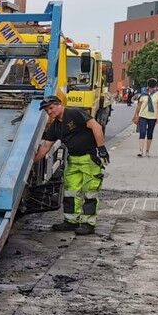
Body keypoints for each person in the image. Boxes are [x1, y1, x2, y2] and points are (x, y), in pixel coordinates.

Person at [34, 94, 109, 236]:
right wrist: (33, 161)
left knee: (90, 193)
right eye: (47, 110)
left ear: (59, 104)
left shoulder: (74, 113)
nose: (49, 112)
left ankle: (88, 224)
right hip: (73, 160)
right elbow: (45, 146)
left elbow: (96, 126)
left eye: (51, 108)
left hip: (88, 159)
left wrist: (102, 148)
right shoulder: (55, 126)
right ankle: (71, 221)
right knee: (70, 192)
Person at [132, 78, 158, 158]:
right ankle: (141, 151)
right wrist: (135, 115)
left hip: (153, 117)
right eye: (150, 86)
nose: (152, 88)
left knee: (150, 133)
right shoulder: (143, 94)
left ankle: (147, 150)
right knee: (142, 132)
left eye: (153, 87)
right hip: (143, 116)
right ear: (148, 86)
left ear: (155, 86)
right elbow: (139, 106)